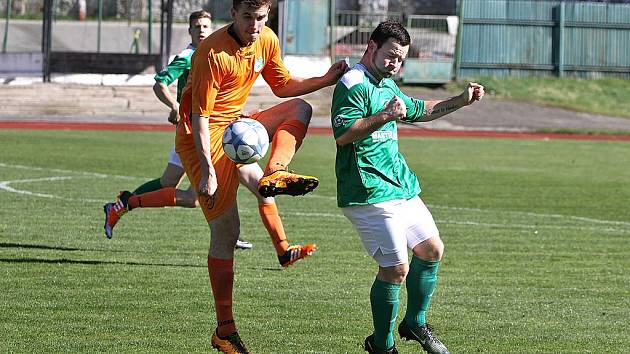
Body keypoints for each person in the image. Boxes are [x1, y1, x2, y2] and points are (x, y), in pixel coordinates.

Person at [175, 0, 348, 352]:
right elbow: (200, 117)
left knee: (300, 108)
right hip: (203, 142)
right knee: (227, 233)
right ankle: (224, 329)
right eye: (248, 17)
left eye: (262, 17)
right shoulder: (211, 52)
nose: (255, 24)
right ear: (233, 15)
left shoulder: (266, 39)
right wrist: (208, 170)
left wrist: (326, 79)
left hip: (238, 128)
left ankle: (278, 171)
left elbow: (282, 86)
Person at [330, 21, 484, 354]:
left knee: (432, 250)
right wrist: (385, 116)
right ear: (371, 47)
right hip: (367, 191)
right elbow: (344, 134)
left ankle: (414, 323)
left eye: (400, 60)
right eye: (390, 56)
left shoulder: (387, 84)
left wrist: (460, 100)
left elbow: (418, 110)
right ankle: (381, 345)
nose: (395, 65)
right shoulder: (353, 83)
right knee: (396, 268)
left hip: (399, 186)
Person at [102, 10, 257, 249]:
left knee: (172, 184)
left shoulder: (217, 50)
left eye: (206, 26)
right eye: (197, 27)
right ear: (190, 31)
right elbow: (160, 84)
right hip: (194, 132)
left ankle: (122, 204)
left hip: (208, 129)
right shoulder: (188, 56)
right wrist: (174, 105)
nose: (202, 30)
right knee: (207, 186)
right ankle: (229, 233)